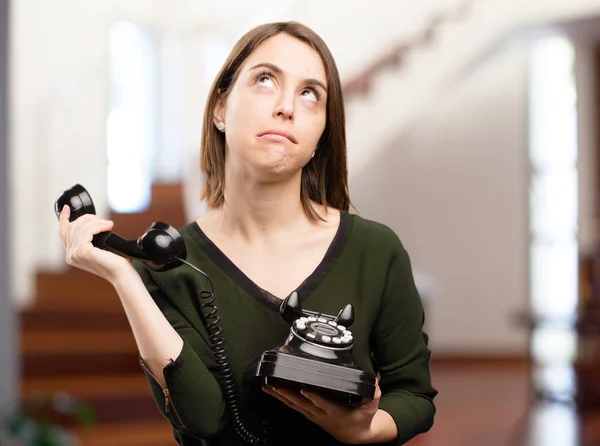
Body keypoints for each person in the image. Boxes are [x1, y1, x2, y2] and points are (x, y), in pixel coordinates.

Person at [58, 21, 437, 446]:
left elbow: (415, 395)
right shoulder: (170, 266)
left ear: (321, 134)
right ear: (220, 107)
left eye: (310, 93)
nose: (286, 107)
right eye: (265, 80)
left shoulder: (376, 251)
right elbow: (202, 419)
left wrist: (364, 429)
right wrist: (125, 278)